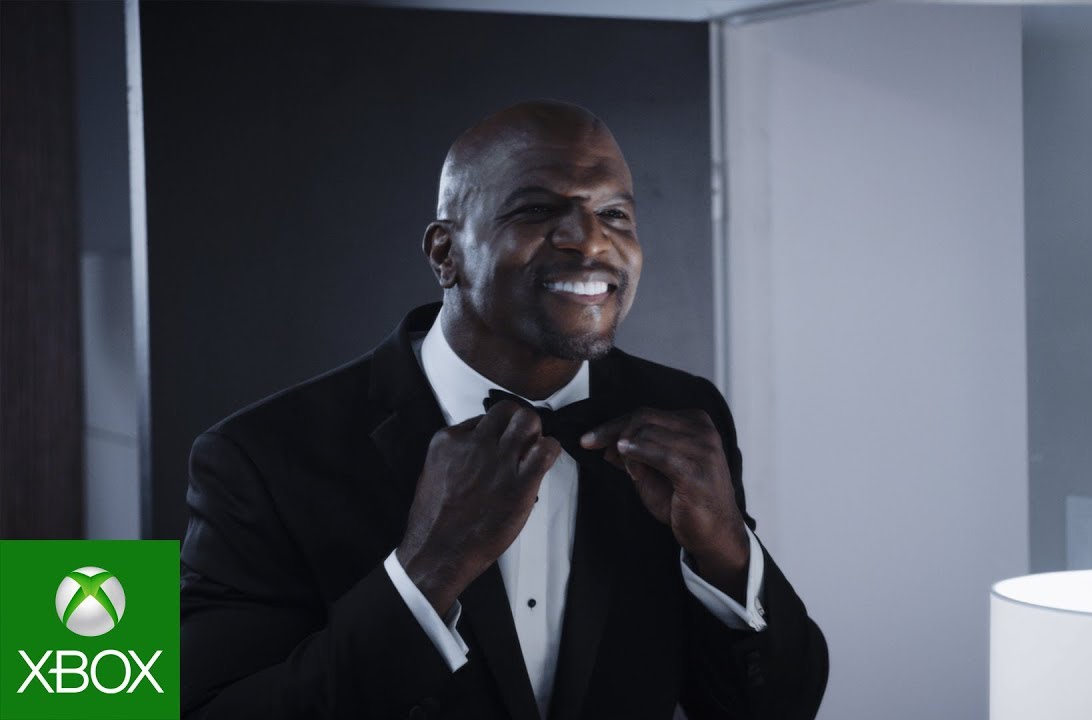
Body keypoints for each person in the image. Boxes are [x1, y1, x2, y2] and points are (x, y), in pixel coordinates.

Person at [180, 100, 828, 720]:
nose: (590, 240)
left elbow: (778, 710)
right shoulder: (249, 457)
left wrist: (727, 553)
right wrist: (428, 568)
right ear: (445, 253)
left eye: (615, 214)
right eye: (538, 209)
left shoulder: (689, 412)